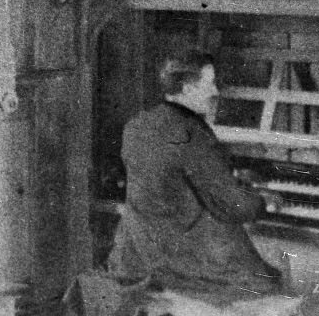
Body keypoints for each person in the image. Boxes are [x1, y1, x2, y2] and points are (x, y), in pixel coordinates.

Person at [108, 49, 284, 295]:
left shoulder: (137, 124)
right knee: (272, 278)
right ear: (188, 88)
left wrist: (228, 178)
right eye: (209, 83)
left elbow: (170, 180)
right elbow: (234, 206)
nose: (215, 91)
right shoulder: (194, 134)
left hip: (136, 254)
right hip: (180, 263)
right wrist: (264, 201)